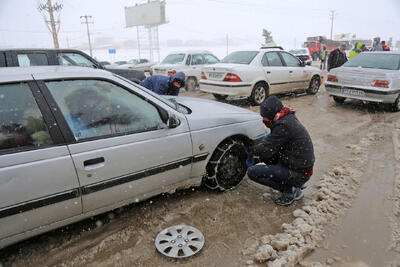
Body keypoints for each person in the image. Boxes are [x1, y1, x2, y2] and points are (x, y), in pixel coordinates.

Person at [246, 96, 315, 206]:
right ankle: (292, 183)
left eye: (265, 117)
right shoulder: (287, 117)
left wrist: (249, 149)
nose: (264, 120)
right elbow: (270, 149)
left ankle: (290, 190)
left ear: (271, 114)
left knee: (252, 172)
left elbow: (266, 148)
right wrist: (259, 156)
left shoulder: (283, 125)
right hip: (298, 165)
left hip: (299, 172)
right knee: (267, 156)